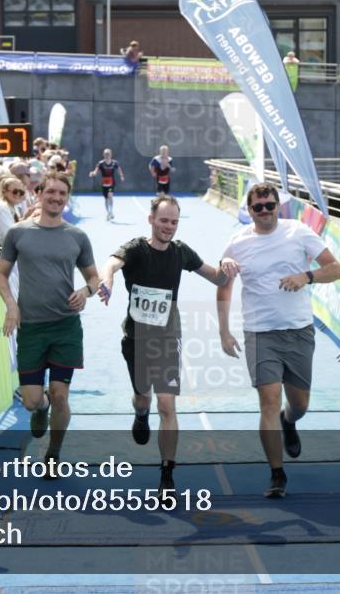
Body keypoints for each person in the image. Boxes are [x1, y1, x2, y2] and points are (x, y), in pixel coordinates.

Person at [216, 183, 340, 499]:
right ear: (249, 210)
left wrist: (307, 277)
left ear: (278, 206)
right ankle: (277, 473)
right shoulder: (237, 243)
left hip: (298, 330)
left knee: (299, 404)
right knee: (268, 401)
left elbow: (336, 269)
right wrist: (224, 329)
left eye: (269, 205)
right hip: (259, 333)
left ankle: (290, 421)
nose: (264, 212)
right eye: (257, 207)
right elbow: (223, 286)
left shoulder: (298, 232)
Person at [98, 195, 228, 492]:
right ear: (151, 220)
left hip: (168, 338)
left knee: (167, 403)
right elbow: (111, 263)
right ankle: (140, 413)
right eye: (163, 221)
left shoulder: (181, 252)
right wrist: (108, 280)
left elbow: (218, 277)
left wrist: (230, 262)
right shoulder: (136, 248)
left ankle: (167, 474)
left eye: (174, 222)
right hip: (136, 339)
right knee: (143, 396)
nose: (169, 227)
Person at [0, 173, 99, 473]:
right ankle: (40, 410)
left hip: (66, 327)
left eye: (62, 194)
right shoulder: (18, 233)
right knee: (32, 400)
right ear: (39, 194)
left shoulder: (77, 236)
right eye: (51, 192)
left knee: (60, 394)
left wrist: (85, 291)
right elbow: (1, 274)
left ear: (67, 198)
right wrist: (12, 306)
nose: (56, 198)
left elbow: (94, 278)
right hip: (31, 328)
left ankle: (53, 455)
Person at [89, 148, 125, 221]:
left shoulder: (115, 163)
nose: (107, 155)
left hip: (111, 182)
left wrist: (121, 176)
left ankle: (111, 211)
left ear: (111, 154)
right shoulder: (100, 163)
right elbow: (96, 172)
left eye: (108, 154)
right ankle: (108, 213)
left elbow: (119, 169)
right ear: (103, 155)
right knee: (106, 199)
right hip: (104, 182)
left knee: (110, 196)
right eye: (105, 154)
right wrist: (92, 173)